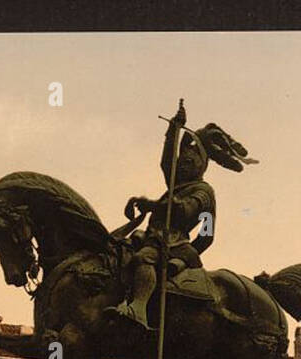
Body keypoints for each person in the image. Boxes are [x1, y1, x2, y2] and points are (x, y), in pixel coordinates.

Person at [106, 100, 256, 332]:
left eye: (187, 162)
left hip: (174, 242)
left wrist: (152, 205)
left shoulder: (203, 191)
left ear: (200, 164)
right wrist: (174, 129)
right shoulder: (175, 184)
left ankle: (138, 308)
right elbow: (166, 162)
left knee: (144, 258)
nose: (181, 166)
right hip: (153, 236)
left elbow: (186, 212)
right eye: (180, 162)